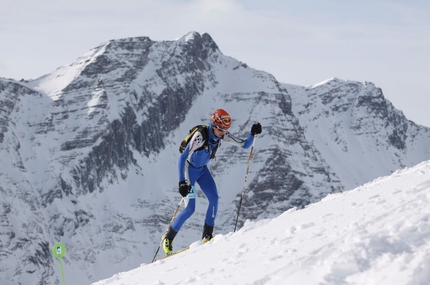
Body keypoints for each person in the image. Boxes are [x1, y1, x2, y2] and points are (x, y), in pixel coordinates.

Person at [162, 108, 262, 255]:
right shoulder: (200, 136)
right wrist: (181, 182)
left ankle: (207, 236)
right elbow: (182, 158)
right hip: (189, 172)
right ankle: (168, 238)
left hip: (202, 171)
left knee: (214, 199)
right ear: (214, 126)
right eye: (220, 130)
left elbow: (245, 145)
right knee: (190, 209)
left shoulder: (221, 135)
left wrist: (252, 133)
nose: (222, 133)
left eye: (224, 130)